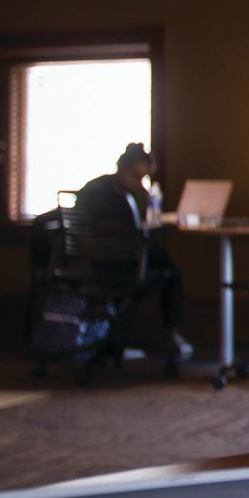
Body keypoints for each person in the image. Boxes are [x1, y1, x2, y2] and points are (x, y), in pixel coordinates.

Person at [72, 142, 193, 359]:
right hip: (124, 264)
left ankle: (114, 337)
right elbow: (148, 227)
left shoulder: (90, 188)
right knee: (170, 270)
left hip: (91, 264)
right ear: (126, 169)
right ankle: (171, 332)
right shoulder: (131, 196)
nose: (140, 182)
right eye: (139, 177)